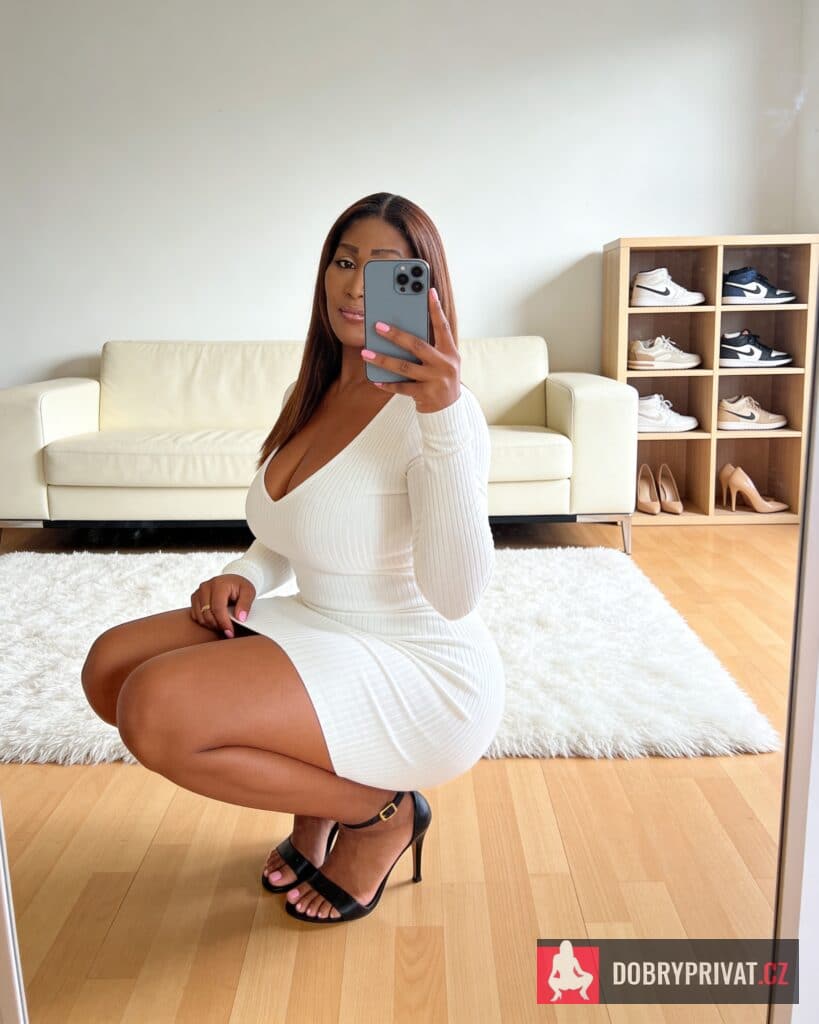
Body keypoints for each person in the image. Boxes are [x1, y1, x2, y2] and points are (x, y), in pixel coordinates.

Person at [81, 192, 506, 924]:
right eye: (343, 261)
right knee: (110, 668)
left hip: (417, 664)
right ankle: (322, 801)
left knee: (154, 710)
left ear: (423, 288)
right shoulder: (311, 389)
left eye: (384, 269)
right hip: (320, 621)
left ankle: (378, 815)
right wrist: (245, 573)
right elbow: (290, 531)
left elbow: (456, 594)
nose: (354, 286)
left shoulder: (441, 412)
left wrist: (439, 416)